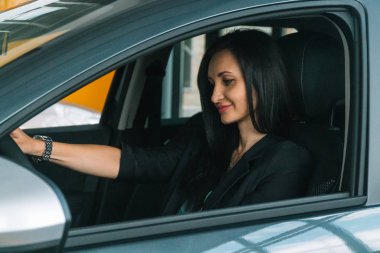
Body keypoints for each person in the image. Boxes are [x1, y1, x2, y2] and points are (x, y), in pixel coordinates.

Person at [11, 29, 312, 215]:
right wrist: (36, 147)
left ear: (262, 80)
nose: (214, 96)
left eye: (227, 82)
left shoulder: (286, 160)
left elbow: (242, 238)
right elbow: (134, 162)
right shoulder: (206, 137)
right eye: (211, 84)